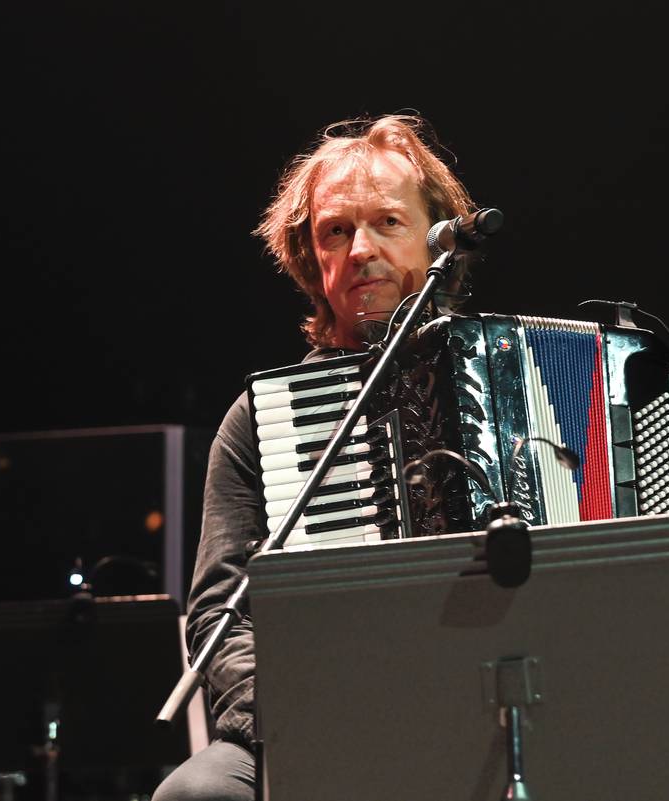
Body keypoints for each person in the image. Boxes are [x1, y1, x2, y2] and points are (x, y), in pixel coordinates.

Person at [152, 114, 477, 801]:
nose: (361, 249)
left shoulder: (512, 374)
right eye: (336, 231)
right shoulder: (260, 423)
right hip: (319, 717)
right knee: (196, 794)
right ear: (311, 258)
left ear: (440, 238)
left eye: (388, 222)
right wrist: (300, 718)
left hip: (499, 699)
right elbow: (220, 617)